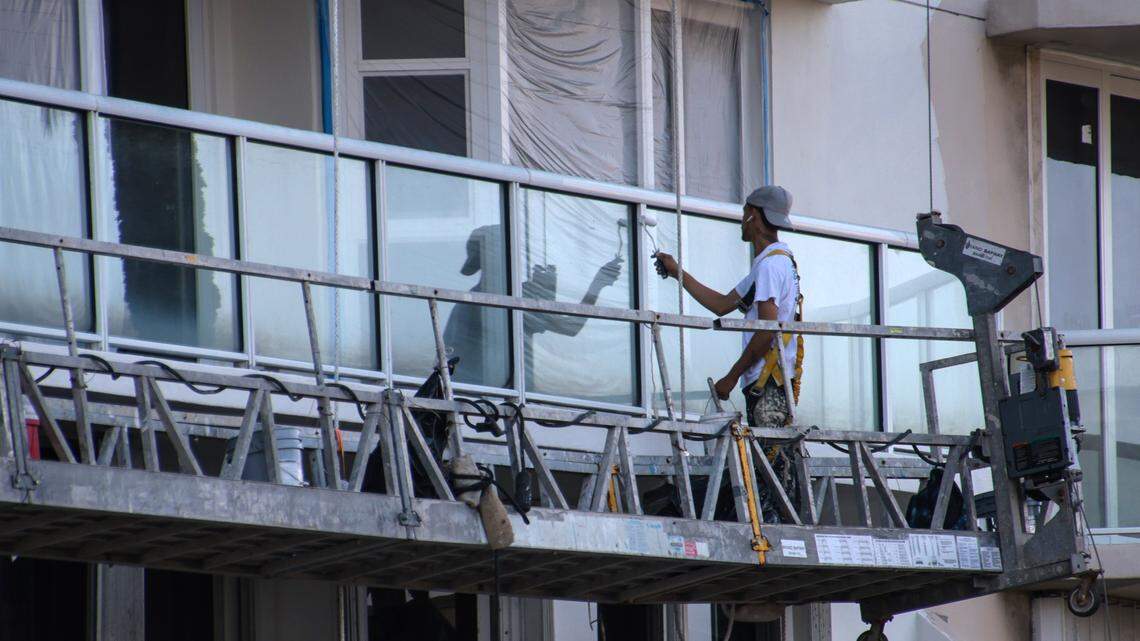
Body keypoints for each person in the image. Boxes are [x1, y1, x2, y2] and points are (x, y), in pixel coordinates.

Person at [653, 185, 802, 430]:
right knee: (769, 462)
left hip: (767, 382)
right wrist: (676, 271)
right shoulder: (772, 264)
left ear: (753, 214)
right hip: (769, 381)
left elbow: (766, 331)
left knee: (769, 462)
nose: (742, 221)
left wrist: (732, 376)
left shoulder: (770, 267)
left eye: (744, 213)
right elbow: (721, 305)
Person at [443, 225, 624, 387]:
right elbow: (571, 326)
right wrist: (597, 284)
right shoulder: (491, 301)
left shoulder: (475, 299)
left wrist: (541, 296)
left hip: (489, 395)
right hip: (491, 397)